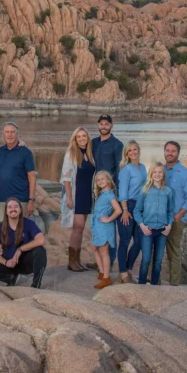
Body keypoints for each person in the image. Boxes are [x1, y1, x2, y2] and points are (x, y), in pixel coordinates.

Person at [0, 197, 47, 288]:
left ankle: (36, 285)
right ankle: (10, 278)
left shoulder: (28, 223)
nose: (13, 209)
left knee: (40, 250)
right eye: (10, 207)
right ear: (6, 211)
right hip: (9, 262)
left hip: (25, 262)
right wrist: (6, 262)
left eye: (16, 207)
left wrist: (20, 249)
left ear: (20, 210)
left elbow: (41, 240)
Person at [89, 115, 123, 269]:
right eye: (101, 124)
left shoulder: (117, 144)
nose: (103, 126)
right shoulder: (94, 143)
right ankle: (101, 262)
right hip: (97, 189)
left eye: (106, 124)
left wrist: (115, 193)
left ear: (111, 126)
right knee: (98, 222)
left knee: (109, 225)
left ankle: (110, 261)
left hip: (109, 191)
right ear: (98, 125)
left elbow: (118, 169)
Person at [60, 127, 95, 272]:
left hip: (87, 195)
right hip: (76, 195)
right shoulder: (71, 153)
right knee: (77, 228)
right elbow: (66, 178)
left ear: (87, 138)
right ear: (75, 139)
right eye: (79, 136)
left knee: (81, 229)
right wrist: (69, 198)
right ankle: (72, 262)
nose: (81, 139)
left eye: (84, 136)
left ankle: (78, 261)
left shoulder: (89, 154)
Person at [134, 162, 174, 285]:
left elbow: (170, 211)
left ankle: (154, 285)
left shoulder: (168, 191)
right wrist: (142, 226)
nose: (157, 174)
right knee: (146, 259)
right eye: (155, 172)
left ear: (163, 174)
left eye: (160, 172)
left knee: (158, 261)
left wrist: (169, 225)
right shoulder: (145, 190)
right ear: (151, 174)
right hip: (147, 230)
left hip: (162, 231)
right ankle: (141, 285)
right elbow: (137, 210)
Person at [164, 141, 187, 286]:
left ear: (178, 153)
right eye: (167, 150)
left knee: (173, 252)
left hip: (176, 219)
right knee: (155, 250)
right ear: (164, 152)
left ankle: (174, 284)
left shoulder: (185, 173)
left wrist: (179, 215)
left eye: (173, 151)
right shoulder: (160, 170)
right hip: (159, 218)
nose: (170, 153)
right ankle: (153, 282)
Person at [117, 140, 147, 283]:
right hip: (128, 206)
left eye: (135, 149)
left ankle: (129, 269)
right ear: (126, 154)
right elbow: (122, 191)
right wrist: (124, 210)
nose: (133, 152)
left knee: (139, 241)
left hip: (140, 207)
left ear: (139, 150)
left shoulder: (143, 167)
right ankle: (123, 273)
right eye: (130, 150)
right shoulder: (126, 170)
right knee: (125, 240)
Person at [0, 122, 36, 221]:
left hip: (20, 199)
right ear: (3, 134)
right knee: (3, 228)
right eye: (7, 132)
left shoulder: (25, 152)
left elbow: (32, 177)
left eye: (12, 132)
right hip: (2, 200)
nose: (9, 135)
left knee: (20, 229)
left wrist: (31, 200)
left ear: (17, 134)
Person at [90, 171, 122, 289]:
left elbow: (118, 210)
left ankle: (106, 278)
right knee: (94, 248)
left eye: (102, 179)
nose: (100, 181)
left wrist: (108, 219)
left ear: (108, 180)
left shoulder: (110, 195)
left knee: (104, 252)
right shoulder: (102, 194)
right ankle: (102, 271)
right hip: (98, 226)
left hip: (104, 227)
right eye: (98, 180)